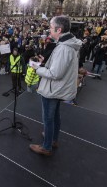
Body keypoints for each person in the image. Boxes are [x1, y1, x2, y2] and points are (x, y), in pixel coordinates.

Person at [29, 16, 82, 156]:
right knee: (55, 116)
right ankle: (52, 138)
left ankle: (46, 147)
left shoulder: (64, 48)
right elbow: (59, 66)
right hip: (59, 87)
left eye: (51, 28)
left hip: (53, 89)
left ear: (59, 29)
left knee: (48, 118)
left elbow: (55, 73)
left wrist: (36, 68)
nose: (49, 30)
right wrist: (44, 63)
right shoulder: (68, 43)